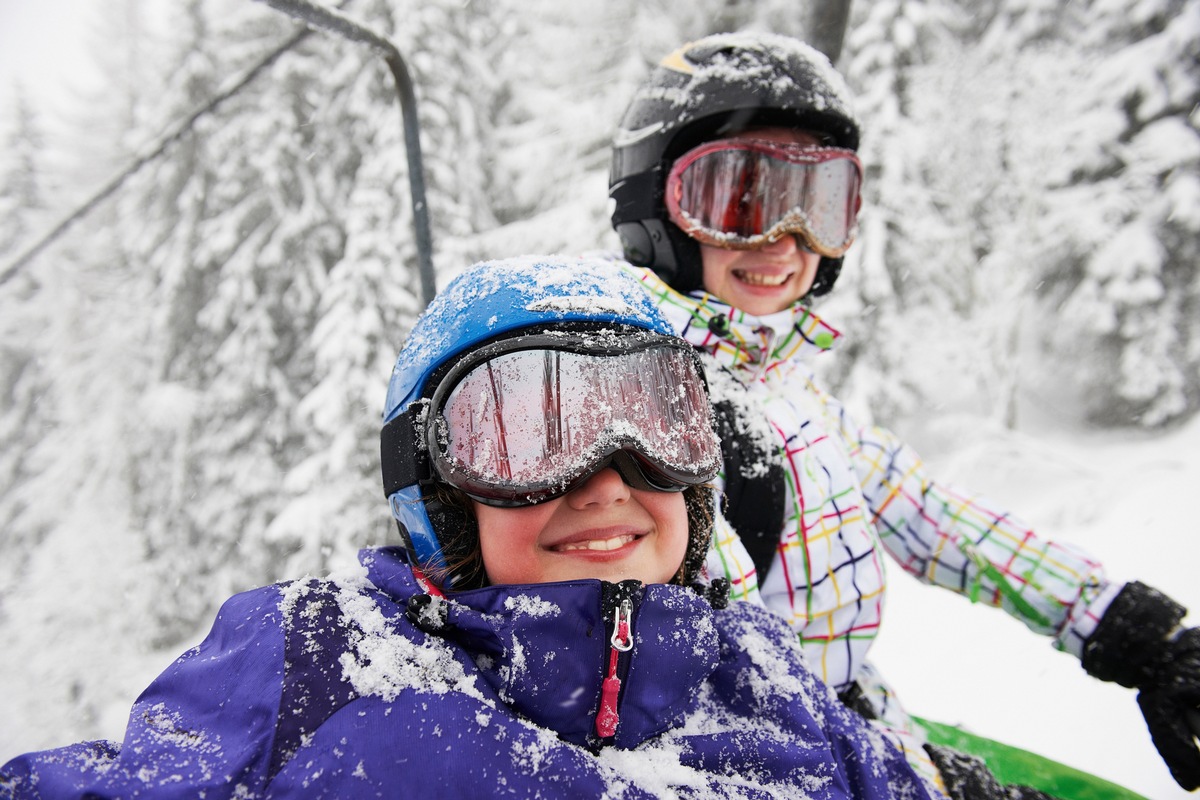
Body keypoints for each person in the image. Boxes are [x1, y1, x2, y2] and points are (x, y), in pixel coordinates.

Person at [0, 256, 939, 799]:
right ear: (437, 488)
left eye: (655, 424)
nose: (609, 480)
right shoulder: (319, 663)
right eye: (526, 437)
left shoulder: (757, 672)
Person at [606, 31, 1200, 796]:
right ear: (657, 211)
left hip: (859, 724)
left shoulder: (787, 390)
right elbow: (733, 677)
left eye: (819, 203)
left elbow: (936, 518)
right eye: (742, 199)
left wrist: (1128, 631)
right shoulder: (648, 405)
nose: (787, 240)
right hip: (775, 770)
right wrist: (914, 782)